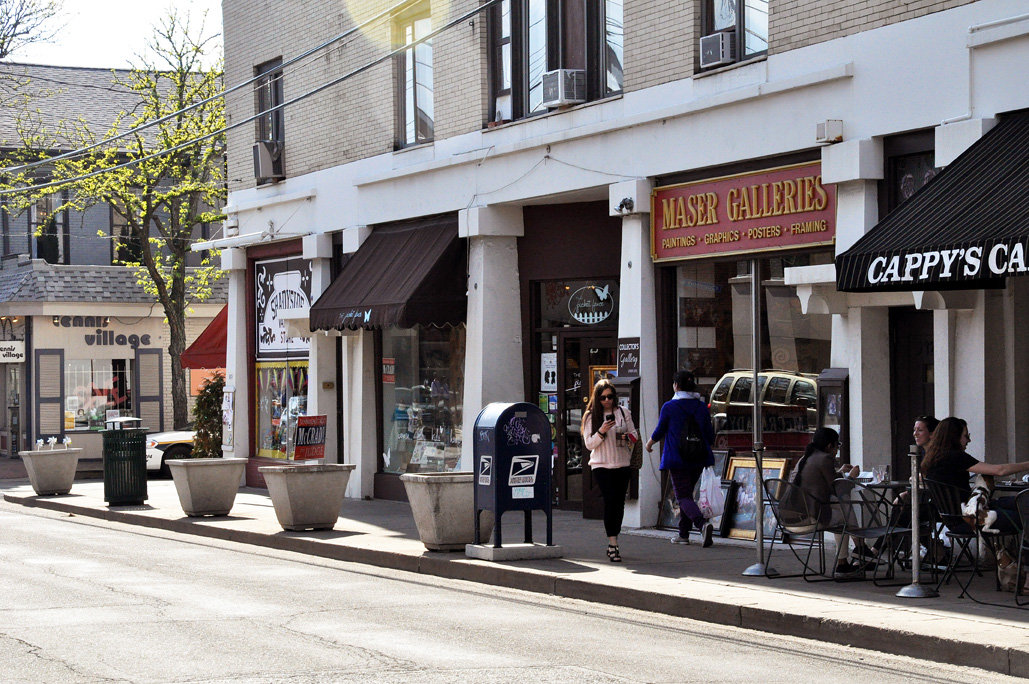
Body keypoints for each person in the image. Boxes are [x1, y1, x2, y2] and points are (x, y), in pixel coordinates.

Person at [780, 427, 866, 578]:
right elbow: (838, 490)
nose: (837, 450)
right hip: (806, 519)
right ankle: (851, 555)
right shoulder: (825, 459)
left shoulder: (805, 458)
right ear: (830, 446)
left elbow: (821, 481)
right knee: (843, 514)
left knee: (840, 503)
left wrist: (839, 472)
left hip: (787, 518)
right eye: (837, 445)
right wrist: (851, 477)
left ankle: (858, 550)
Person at [922, 417, 1029, 535]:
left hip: (956, 519)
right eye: (966, 436)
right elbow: (999, 470)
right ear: (954, 437)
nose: (969, 441)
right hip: (971, 519)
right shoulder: (955, 457)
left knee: (1020, 502)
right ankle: (1023, 553)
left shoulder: (930, 459)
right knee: (1024, 513)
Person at [645, 370, 716, 547]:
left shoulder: (669, 407)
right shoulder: (701, 407)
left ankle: (702, 525)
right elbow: (709, 433)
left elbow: (660, 429)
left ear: (676, 386)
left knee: (683, 496)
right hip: (698, 457)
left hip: (677, 458)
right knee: (688, 495)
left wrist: (649, 443)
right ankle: (683, 534)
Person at [581, 379, 638, 563]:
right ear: (597, 398)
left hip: (622, 463)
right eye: (603, 397)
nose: (607, 400)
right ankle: (613, 543)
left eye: (610, 397)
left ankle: (614, 539)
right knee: (610, 501)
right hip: (601, 465)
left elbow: (634, 435)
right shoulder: (591, 416)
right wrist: (602, 431)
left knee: (619, 503)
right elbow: (589, 444)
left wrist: (626, 436)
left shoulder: (623, 412)